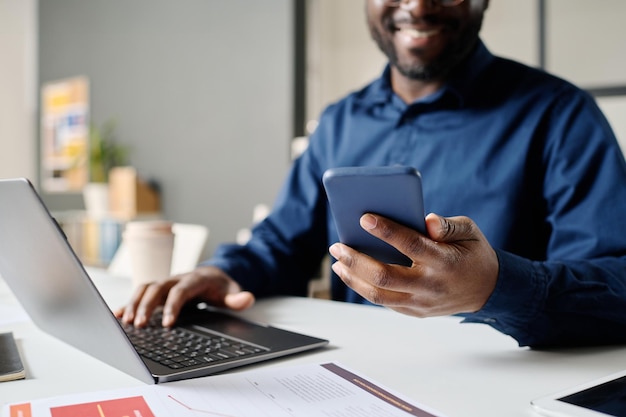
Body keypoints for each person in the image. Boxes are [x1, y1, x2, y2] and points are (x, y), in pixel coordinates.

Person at [117, 0, 626, 348]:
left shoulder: (561, 114)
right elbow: (280, 244)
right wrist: (222, 272)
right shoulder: (339, 120)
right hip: (353, 373)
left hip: (499, 381)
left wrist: (493, 287)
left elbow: (616, 281)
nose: (420, 6)